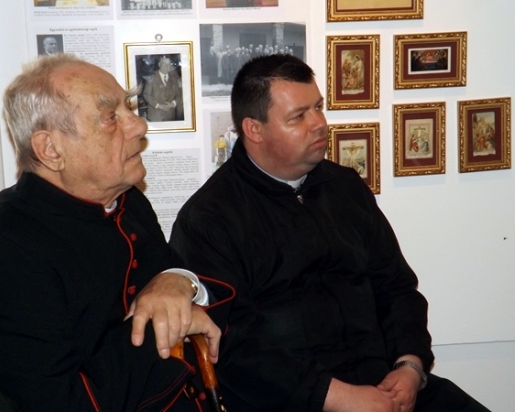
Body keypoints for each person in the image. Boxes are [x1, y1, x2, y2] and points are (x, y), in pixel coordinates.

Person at [169, 54, 490, 411]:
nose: (319, 124)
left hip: (387, 382)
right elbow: (233, 347)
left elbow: (396, 287)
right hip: (294, 400)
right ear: (254, 129)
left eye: (318, 108)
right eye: (299, 116)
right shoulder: (209, 219)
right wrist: (336, 397)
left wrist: (410, 365)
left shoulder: (345, 187)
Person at [0, 53, 234, 411]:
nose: (139, 126)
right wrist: (164, 324)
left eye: (129, 107)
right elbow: (61, 402)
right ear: (51, 150)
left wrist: (179, 282)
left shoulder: (127, 201)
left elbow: (177, 282)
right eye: (110, 117)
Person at [142, 56, 182, 122]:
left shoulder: (174, 79)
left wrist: (173, 104)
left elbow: (179, 95)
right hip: (155, 117)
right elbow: (146, 95)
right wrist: (158, 106)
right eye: (164, 64)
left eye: (168, 64)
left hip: (170, 117)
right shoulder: (151, 77)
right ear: (159, 64)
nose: (166, 66)